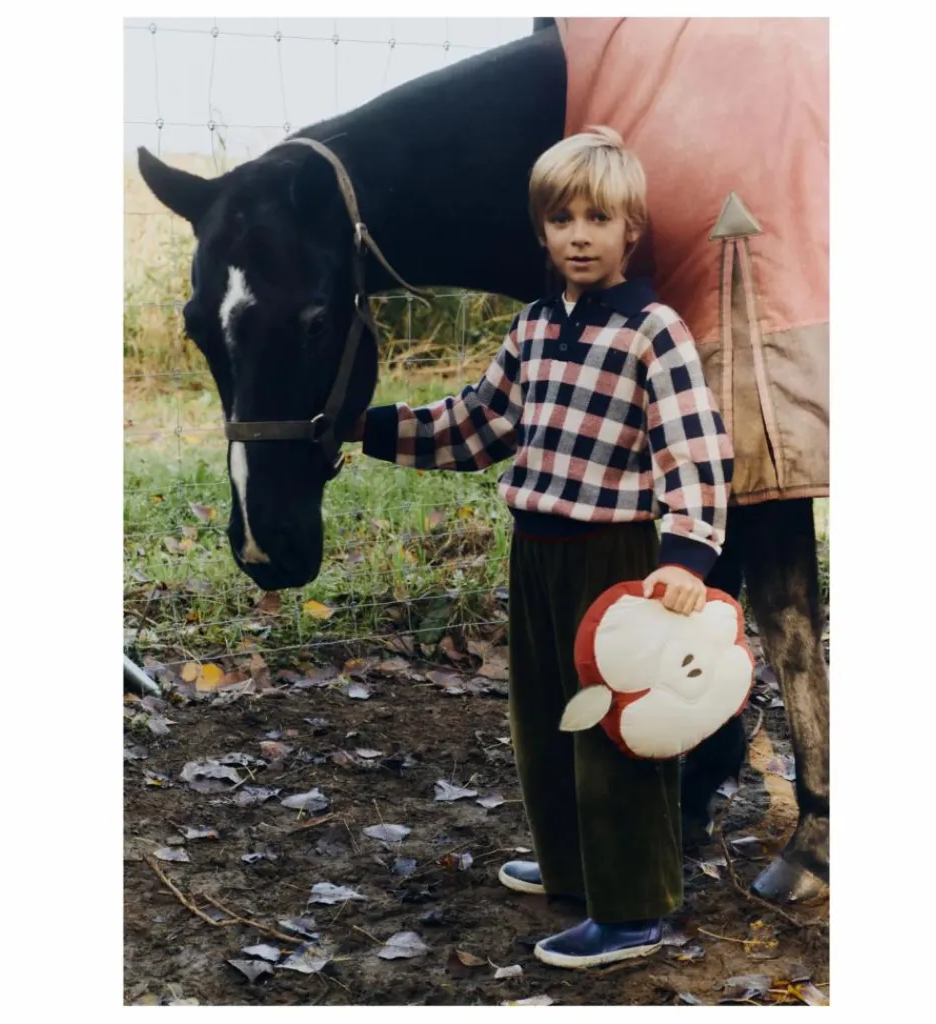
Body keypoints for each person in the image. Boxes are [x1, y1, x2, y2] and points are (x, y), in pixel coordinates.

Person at [348, 126, 734, 969]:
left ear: (631, 229)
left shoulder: (653, 330)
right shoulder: (531, 329)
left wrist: (687, 556)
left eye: (599, 218)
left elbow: (695, 448)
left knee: (614, 730)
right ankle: (572, 866)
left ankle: (632, 910)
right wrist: (364, 426)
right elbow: (476, 425)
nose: (580, 236)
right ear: (543, 231)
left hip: (615, 558)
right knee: (545, 720)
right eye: (562, 220)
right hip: (537, 551)